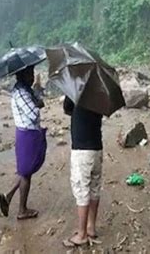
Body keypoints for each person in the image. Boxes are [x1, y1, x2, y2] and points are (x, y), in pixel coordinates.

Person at [0, 66, 47, 220]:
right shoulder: (22, 92)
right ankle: (21, 209)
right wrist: (37, 103)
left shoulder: (23, 89)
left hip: (26, 133)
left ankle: (10, 197)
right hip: (28, 133)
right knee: (26, 172)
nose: (32, 76)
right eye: (29, 73)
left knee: (26, 171)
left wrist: (37, 97)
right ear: (22, 74)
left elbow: (38, 103)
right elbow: (33, 113)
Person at [62, 97, 103, 248]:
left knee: (81, 190)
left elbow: (67, 108)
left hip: (81, 149)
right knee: (94, 187)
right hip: (97, 147)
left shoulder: (76, 89)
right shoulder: (100, 92)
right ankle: (90, 227)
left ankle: (81, 234)